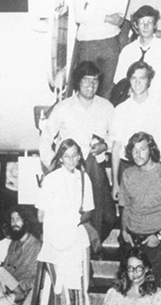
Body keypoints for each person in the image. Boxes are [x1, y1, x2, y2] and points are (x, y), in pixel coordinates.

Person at [39, 62, 115, 244]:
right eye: (86, 80)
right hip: (69, 169)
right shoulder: (63, 107)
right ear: (77, 83)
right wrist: (53, 166)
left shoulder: (107, 107)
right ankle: (74, 245)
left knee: (108, 216)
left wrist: (105, 146)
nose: (91, 85)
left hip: (95, 166)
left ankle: (93, 245)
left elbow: (115, 137)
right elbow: (46, 138)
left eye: (95, 80)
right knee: (71, 214)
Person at [36, 139, 95, 305]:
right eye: (67, 155)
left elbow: (88, 211)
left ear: (80, 156)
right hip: (55, 243)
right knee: (61, 294)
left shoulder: (84, 179)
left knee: (81, 292)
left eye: (75, 155)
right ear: (60, 157)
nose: (71, 160)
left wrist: (73, 220)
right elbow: (41, 215)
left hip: (77, 241)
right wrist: (60, 224)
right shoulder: (51, 179)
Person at [110, 61, 161, 200]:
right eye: (134, 78)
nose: (137, 83)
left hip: (151, 167)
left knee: (151, 211)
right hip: (127, 168)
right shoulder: (121, 109)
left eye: (142, 78)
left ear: (149, 81)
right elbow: (116, 147)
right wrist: (115, 182)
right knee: (127, 215)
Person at [119, 131, 161, 285]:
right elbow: (125, 206)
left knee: (151, 289)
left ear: (151, 150)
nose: (138, 154)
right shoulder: (127, 174)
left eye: (142, 149)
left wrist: (159, 236)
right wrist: (123, 231)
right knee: (129, 289)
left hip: (154, 242)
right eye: (134, 150)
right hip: (131, 240)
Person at [73, 0, 131, 98]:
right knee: (85, 90)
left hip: (110, 43)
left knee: (107, 91)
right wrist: (106, 17)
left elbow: (118, 20)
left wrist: (91, 11)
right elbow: (79, 16)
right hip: (87, 43)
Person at [114, 4, 161, 115]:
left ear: (155, 25)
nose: (145, 26)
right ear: (135, 25)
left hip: (157, 110)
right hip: (131, 109)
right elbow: (118, 81)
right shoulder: (127, 51)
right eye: (142, 22)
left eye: (149, 22)